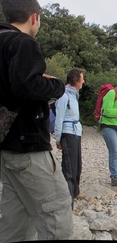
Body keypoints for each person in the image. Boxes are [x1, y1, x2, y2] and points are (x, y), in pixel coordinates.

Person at [0, 0, 73, 241]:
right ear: (34, 18)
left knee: (17, 213)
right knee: (57, 210)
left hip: (5, 145)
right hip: (27, 144)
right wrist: (56, 85)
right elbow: (27, 85)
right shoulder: (22, 42)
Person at [54, 68, 86, 203]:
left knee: (77, 164)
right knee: (69, 166)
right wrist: (58, 138)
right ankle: (67, 200)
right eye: (81, 78)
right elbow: (59, 118)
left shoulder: (74, 95)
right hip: (68, 132)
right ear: (75, 79)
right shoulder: (64, 95)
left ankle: (75, 191)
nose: (83, 81)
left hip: (75, 133)